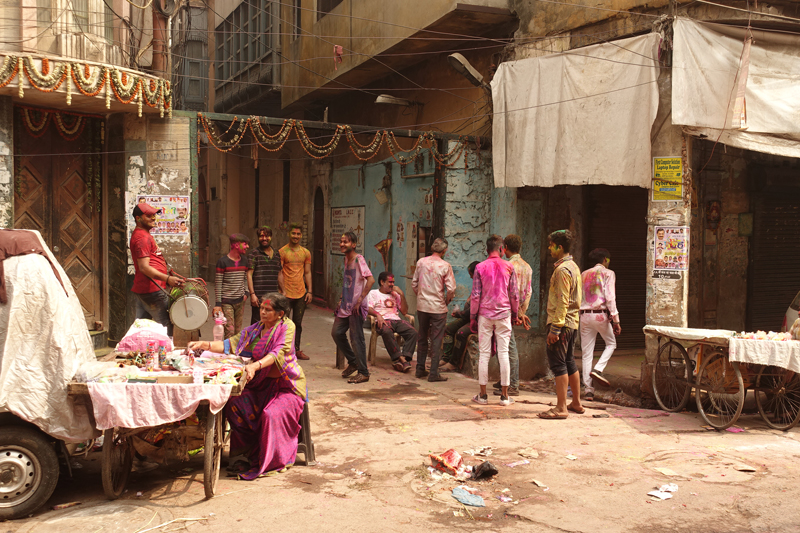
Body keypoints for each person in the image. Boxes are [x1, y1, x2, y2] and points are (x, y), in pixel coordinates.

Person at [187, 293, 306, 480]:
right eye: (262, 309)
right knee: (234, 404)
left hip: (286, 387)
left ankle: (269, 458)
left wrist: (254, 365)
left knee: (270, 415)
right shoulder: (256, 330)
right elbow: (231, 344)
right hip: (261, 385)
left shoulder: (286, 327)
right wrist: (204, 344)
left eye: (268, 310)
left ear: (280, 313)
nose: (263, 312)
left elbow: (278, 352)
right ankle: (242, 455)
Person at [470, 235, 519, 407]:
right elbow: (514, 294)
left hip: (485, 314)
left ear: (486, 250)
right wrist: (515, 314)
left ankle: (482, 396)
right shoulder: (509, 267)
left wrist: (472, 317)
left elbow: (475, 296)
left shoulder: (479, 267)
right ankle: (505, 397)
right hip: (504, 314)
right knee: (504, 353)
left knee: (483, 354)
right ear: (502, 249)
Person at [539, 230, 584, 419]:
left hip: (562, 324)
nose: (549, 248)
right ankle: (576, 403)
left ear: (559, 247)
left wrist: (555, 329)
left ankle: (561, 408)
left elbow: (562, 300)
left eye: (551, 245)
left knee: (559, 365)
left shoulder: (562, 270)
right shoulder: (573, 267)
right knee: (569, 361)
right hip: (572, 323)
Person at [129, 203, 184, 337]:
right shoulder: (142, 237)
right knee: (165, 327)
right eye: (148, 216)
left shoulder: (143, 234)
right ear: (138, 218)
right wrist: (167, 279)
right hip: (153, 290)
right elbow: (144, 267)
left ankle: (140, 353)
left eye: (154, 215)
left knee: (141, 329)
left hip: (144, 289)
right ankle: (167, 354)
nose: (153, 218)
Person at [491, 234, 533, 397]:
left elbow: (505, 291)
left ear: (505, 247)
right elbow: (528, 292)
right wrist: (521, 312)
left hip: (505, 309)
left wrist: (515, 312)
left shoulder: (507, 265)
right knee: (505, 345)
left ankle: (513, 383)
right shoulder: (527, 267)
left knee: (508, 347)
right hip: (516, 310)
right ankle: (505, 379)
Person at [412, 237, 456, 382]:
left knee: (422, 336)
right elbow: (451, 289)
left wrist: (421, 297)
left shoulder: (421, 262)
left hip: (422, 306)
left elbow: (414, 284)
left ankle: (419, 369)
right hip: (438, 308)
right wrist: (446, 301)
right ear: (444, 251)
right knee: (437, 340)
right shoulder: (445, 266)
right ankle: (433, 373)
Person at [332, 232, 374, 384]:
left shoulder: (359, 259)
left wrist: (360, 300)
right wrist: (341, 299)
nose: (342, 244)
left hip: (356, 307)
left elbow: (370, 280)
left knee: (357, 339)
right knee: (336, 333)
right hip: (346, 306)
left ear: (354, 245)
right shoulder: (346, 259)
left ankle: (363, 372)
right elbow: (348, 282)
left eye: (346, 242)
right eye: (341, 241)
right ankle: (353, 361)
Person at [580, 248, 621, 399]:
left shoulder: (583, 274)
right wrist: (616, 320)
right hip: (600, 315)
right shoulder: (608, 273)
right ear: (605, 260)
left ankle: (588, 390)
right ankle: (598, 369)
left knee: (586, 353)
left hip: (584, 316)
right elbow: (610, 297)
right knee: (611, 343)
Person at [367, 272, 417, 373]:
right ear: (382, 282)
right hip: (383, 321)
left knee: (413, 332)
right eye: (390, 282)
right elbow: (368, 308)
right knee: (386, 331)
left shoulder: (395, 294)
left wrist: (402, 295)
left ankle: (403, 359)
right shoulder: (374, 293)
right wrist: (378, 315)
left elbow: (404, 312)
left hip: (396, 320)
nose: (392, 284)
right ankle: (401, 359)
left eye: (393, 282)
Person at [279, 223, 312, 360]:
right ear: (289, 234)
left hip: (300, 293)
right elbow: (279, 272)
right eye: (293, 233)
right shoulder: (282, 252)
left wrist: (309, 291)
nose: (296, 236)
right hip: (286, 294)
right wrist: (282, 290)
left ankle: (296, 350)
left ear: (301, 236)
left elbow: (308, 272)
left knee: (297, 323)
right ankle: (282, 350)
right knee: (283, 323)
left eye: (298, 234)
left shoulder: (305, 253)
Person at [440, 261, 479, 373]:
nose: (470, 277)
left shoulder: (483, 286)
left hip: (477, 320)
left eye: (471, 274)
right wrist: (460, 313)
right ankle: (445, 357)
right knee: (448, 329)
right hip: (467, 317)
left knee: (461, 333)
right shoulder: (475, 285)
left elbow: (474, 310)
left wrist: (459, 314)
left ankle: (454, 362)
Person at [213, 234, 250, 339]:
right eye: (245, 244)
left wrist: (246, 293)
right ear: (237, 245)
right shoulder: (222, 262)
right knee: (230, 331)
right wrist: (218, 304)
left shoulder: (245, 261)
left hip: (240, 301)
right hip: (227, 302)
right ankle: (227, 353)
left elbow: (245, 278)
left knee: (238, 332)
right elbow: (218, 283)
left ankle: (235, 353)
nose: (247, 247)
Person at [247, 226, 281, 326]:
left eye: (267, 236)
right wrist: (252, 294)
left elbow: (279, 273)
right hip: (259, 298)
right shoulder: (254, 254)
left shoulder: (276, 253)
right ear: (258, 238)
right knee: (257, 325)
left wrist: (283, 291)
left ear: (271, 237)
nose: (264, 238)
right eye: (261, 236)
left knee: (271, 323)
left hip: (273, 297)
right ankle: (255, 342)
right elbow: (249, 274)